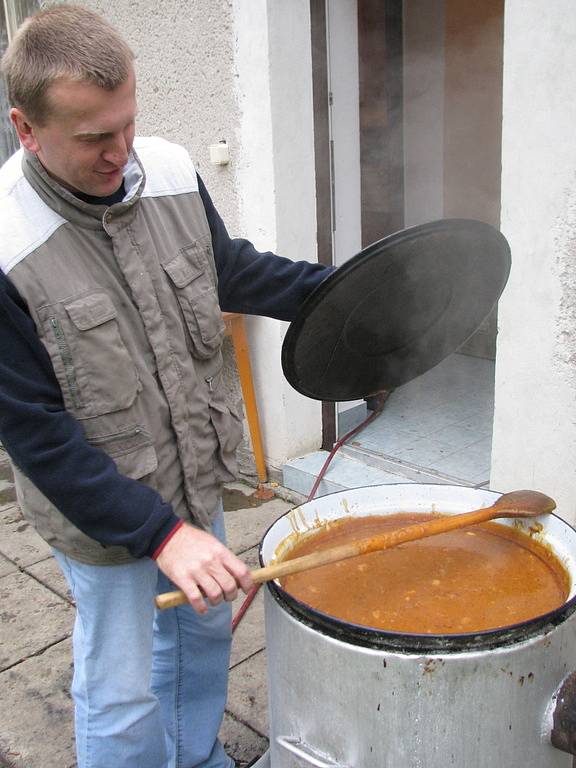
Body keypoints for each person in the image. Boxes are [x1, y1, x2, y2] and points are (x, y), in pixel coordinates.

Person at [0, 6, 331, 767]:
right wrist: (160, 535)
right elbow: (39, 438)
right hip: (101, 505)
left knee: (205, 627)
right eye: (92, 138)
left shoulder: (171, 170)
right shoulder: (7, 246)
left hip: (190, 465)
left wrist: (343, 293)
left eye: (127, 124)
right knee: (119, 688)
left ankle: (194, 757)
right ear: (26, 128)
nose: (121, 153)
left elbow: (232, 269)